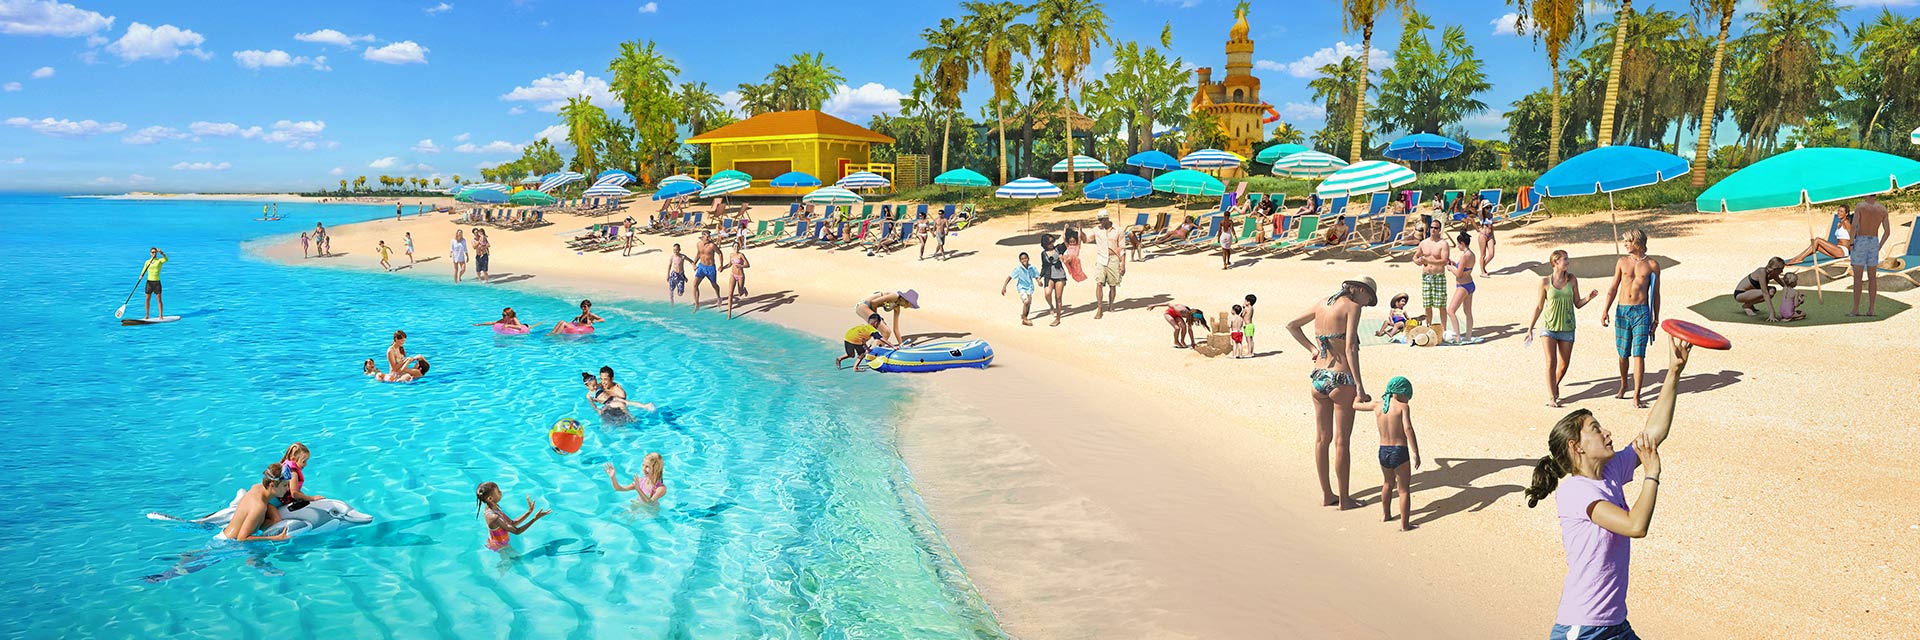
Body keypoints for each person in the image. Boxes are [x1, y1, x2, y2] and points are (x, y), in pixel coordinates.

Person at [1524, 338, 1692, 640]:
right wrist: (1651, 474)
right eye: (1595, 429)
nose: (1607, 432)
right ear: (1577, 447)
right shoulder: (1576, 492)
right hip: (1584, 631)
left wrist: (1674, 372)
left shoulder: (1610, 471)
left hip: (1615, 625)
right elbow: (1635, 526)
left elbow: (1652, 434)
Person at [1286, 276, 1377, 510]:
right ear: (1358, 290)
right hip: (1341, 379)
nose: (1367, 304)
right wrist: (1360, 387)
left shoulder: (1322, 303)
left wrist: (1312, 349)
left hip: (1318, 377)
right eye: (1368, 298)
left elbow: (1292, 325)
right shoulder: (1352, 307)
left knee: (1321, 439)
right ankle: (1344, 500)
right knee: (1341, 442)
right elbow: (1350, 348)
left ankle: (1327, 495)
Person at [1526, 250, 1600, 407]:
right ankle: (1552, 397)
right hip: (1549, 326)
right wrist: (1530, 328)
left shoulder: (1572, 279)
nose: (1568, 262)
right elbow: (1539, 306)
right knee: (1551, 361)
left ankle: (1555, 384)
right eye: (1565, 259)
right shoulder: (1545, 282)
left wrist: (1589, 297)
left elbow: (1577, 304)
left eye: (1568, 259)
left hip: (1567, 326)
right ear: (1555, 262)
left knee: (1564, 364)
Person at [1601, 229, 1662, 408]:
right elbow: (1613, 288)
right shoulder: (1622, 262)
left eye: (1628, 241)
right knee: (1622, 354)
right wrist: (1605, 310)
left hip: (1641, 312)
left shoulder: (1652, 265)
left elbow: (1656, 294)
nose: (1625, 244)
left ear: (1637, 242)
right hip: (1622, 311)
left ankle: (1637, 395)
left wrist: (1656, 319)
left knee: (1639, 354)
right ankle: (1623, 384)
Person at [1350, 376, 1420, 531]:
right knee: (1403, 490)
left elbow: (1355, 405)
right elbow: (1408, 429)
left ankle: (1385, 515)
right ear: (1401, 393)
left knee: (1388, 483)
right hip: (1399, 451)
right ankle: (1404, 525)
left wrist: (1360, 395)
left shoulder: (1377, 405)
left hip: (1383, 452)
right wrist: (1415, 451)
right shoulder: (1402, 407)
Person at [218, 464, 295, 542]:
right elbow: (241, 538)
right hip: (228, 543)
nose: (287, 488)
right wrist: (276, 538)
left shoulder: (257, 487)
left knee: (275, 519)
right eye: (285, 485)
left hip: (225, 535)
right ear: (272, 485)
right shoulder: (259, 507)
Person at [475, 482, 551, 552]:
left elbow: (512, 523)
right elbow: (516, 531)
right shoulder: (494, 517)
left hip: (500, 542)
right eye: (498, 491)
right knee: (508, 563)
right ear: (490, 498)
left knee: (514, 560)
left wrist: (529, 512)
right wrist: (534, 519)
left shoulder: (494, 507)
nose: (501, 492)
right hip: (500, 546)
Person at [1849, 195, 1892, 316]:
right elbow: (1887, 231)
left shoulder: (1860, 206)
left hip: (1861, 240)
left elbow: (1854, 226)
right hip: (1874, 240)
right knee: (1872, 278)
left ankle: (1856, 309)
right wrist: (1880, 246)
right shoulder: (1882, 209)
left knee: (1857, 277)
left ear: (1868, 194)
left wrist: (1851, 242)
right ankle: (1871, 309)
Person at [1081, 212, 1127, 319]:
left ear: (1107, 218)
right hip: (1101, 258)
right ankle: (1100, 307)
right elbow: (1086, 240)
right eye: (1099, 220)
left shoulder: (1119, 230)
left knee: (1113, 284)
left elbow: (1122, 248)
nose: (1100, 222)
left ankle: (1111, 304)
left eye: (1102, 220)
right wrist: (1081, 231)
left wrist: (1123, 263)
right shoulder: (1096, 230)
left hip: (1113, 258)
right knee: (1099, 283)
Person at [1412, 218, 1451, 340]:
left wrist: (1427, 260)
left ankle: (1443, 329)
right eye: (1432, 227)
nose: (1433, 230)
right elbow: (1415, 256)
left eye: (1436, 228)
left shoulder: (1443, 244)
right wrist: (1417, 261)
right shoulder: (1423, 243)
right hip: (1426, 276)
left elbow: (1444, 261)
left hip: (1438, 276)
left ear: (1440, 230)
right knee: (1427, 304)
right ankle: (1429, 327)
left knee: (1441, 304)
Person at [1448, 230, 1480, 344]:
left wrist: (1450, 268)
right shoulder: (1472, 254)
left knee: (1451, 311)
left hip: (1463, 286)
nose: (1457, 246)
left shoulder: (1464, 256)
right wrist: (1454, 264)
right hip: (1470, 284)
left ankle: (1457, 337)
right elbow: (1465, 268)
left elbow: (1459, 274)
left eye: (1458, 244)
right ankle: (1468, 336)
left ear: (1462, 243)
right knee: (1468, 312)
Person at [276, 443, 325, 509]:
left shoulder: (286, 466)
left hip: (277, 498)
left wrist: (304, 497)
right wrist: (312, 498)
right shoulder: (293, 473)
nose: (306, 464)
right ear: (293, 459)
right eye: (304, 461)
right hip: (277, 503)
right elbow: (294, 494)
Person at [1001, 251, 1040, 326]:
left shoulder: (1032, 267)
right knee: (1026, 301)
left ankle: (1025, 316)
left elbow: (1036, 276)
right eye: (1022, 259)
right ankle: (1024, 319)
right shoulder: (1018, 269)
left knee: (1028, 304)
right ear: (1020, 261)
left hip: (1030, 288)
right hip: (1021, 288)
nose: (1024, 260)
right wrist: (1004, 287)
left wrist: (1039, 281)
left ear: (1028, 258)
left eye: (1025, 258)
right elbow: (1009, 277)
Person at [1038, 235, 1069, 327]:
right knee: (1047, 293)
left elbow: (1067, 242)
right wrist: (1040, 276)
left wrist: (1065, 230)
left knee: (1058, 298)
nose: (1052, 243)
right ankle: (1051, 306)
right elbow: (1044, 266)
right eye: (1049, 242)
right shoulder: (1043, 254)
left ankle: (1058, 318)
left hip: (1060, 275)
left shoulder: (1059, 248)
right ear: (1045, 243)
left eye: (1052, 241)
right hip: (1049, 275)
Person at [690, 231, 724, 313]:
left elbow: (720, 253)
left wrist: (721, 265)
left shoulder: (712, 245)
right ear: (703, 237)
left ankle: (718, 297)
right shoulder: (698, 244)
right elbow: (698, 254)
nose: (709, 238)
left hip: (710, 268)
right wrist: (694, 263)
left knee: (714, 285)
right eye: (707, 237)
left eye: (709, 236)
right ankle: (697, 305)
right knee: (695, 285)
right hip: (701, 267)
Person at [141, 247, 168, 319]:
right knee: (147, 299)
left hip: (157, 282)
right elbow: (144, 269)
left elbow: (166, 259)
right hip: (149, 282)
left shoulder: (159, 261)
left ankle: (161, 315)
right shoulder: (147, 262)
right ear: (150, 253)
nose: (154, 253)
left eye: (155, 252)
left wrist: (161, 252)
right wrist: (141, 275)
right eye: (152, 252)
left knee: (159, 299)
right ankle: (147, 315)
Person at [725, 247, 751, 319]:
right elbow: (730, 264)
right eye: (735, 246)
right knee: (730, 294)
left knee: (740, 293)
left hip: (740, 276)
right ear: (733, 248)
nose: (736, 248)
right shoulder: (731, 255)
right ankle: (729, 314)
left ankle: (744, 289)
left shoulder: (741, 255)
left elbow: (748, 265)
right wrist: (723, 267)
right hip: (733, 275)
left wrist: (740, 266)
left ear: (739, 248)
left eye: (737, 246)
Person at [472, 307, 538, 332]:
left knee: (532, 326)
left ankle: (539, 323)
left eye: (504, 315)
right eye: (502, 315)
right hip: (513, 330)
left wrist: (508, 326)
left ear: (509, 315)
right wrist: (480, 324)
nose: (503, 316)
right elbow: (492, 322)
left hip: (524, 327)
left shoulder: (514, 319)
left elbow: (519, 327)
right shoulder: (504, 319)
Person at [1475, 212, 1498, 277]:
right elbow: (1479, 210)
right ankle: (1482, 271)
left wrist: (1493, 237)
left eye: (1489, 207)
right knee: (1483, 254)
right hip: (1483, 235)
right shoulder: (1481, 215)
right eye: (1486, 207)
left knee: (1491, 254)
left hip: (1490, 235)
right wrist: (1482, 204)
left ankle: (1482, 266)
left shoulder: (1490, 215)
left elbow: (1491, 227)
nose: (1488, 208)